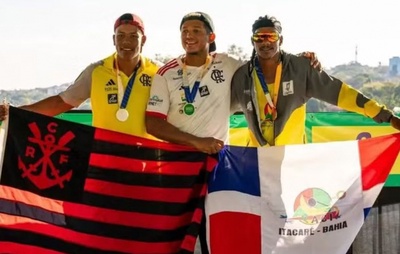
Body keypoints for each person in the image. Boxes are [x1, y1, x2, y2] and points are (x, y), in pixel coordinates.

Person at [145, 11, 322, 254]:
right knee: (172, 233)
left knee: (216, 233)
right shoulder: (165, 73)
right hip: (176, 166)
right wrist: (197, 142)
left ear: (211, 36)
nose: (189, 35)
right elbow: (153, 124)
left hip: (217, 166)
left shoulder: (229, 65)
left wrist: (301, 61)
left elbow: (267, 66)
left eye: (196, 30)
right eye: (185, 31)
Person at [231, 15, 400, 147]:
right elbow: (218, 106)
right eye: (260, 37)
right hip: (256, 162)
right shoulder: (242, 76)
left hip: (292, 161)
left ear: (280, 40)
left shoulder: (301, 69)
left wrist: (388, 117)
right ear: (253, 41)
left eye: (271, 36)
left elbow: (342, 93)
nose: (265, 41)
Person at [0, 13, 160, 138]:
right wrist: (15, 113)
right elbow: (60, 102)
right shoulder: (96, 71)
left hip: (147, 161)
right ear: (113, 39)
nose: (126, 42)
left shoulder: (159, 72)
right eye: (121, 36)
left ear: (143, 40)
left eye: (134, 36)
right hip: (105, 159)